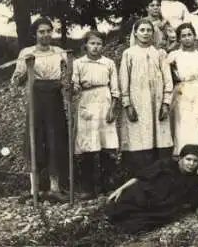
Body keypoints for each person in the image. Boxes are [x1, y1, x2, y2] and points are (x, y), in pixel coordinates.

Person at [11, 17, 69, 202]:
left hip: (54, 97)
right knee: (34, 137)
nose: (45, 35)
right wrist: (27, 66)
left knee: (55, 138)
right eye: (41, 32)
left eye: (48, 31)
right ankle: (34, 188)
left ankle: (54, 187)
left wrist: (67, 85)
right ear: (35, 34)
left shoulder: (59, 52)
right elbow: (16, 81)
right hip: (35, 96)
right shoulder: (26, 52)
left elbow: (67, 76)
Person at [106, 144, 198, 234]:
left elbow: (197, 201)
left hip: (161, 208)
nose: (191, 164)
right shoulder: (165, 164)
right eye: (188, 159)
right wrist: (119, 190)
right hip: (147, 195)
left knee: (137, 225)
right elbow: (141, 176)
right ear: (180, 158)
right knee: (122, 205)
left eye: (195, 161)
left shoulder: (192, 179)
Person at [119, 19, 174, 177]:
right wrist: (128, 104)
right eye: (142, 30)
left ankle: (160, 177)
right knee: (139, 137)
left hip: (157, 103)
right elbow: (124, 80)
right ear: (135, 33)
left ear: (153, 33)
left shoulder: (159, 54)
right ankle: (139, 178)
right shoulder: (129, 54)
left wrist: (165, 103)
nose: (145, 33)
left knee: (160, 137)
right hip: (138, 102)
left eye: (149, 30)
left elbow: (167, 80)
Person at [72, 31, 120, 199]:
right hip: (87, 101)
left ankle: (107, 184)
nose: (95, 47)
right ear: (86, 45)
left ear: (103, 46)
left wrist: (113, 108)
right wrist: (76, 87)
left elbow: (115, 89)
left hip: (104, 101)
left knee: (107, 145)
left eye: (99, 43)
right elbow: (74, 83)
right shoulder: (78, 63)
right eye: (92, 43)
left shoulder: (109, 63)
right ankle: (88, 187)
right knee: (88, 145)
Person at [167, 23, 198, 155]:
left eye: (189, 35)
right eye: (183, 36)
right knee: (182, 124)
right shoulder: (174, 55)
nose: (187, 38)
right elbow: (164, 68)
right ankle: (180, 155)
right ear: (179, 39)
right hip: (181, 92)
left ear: (194, 36)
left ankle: (197, 156)